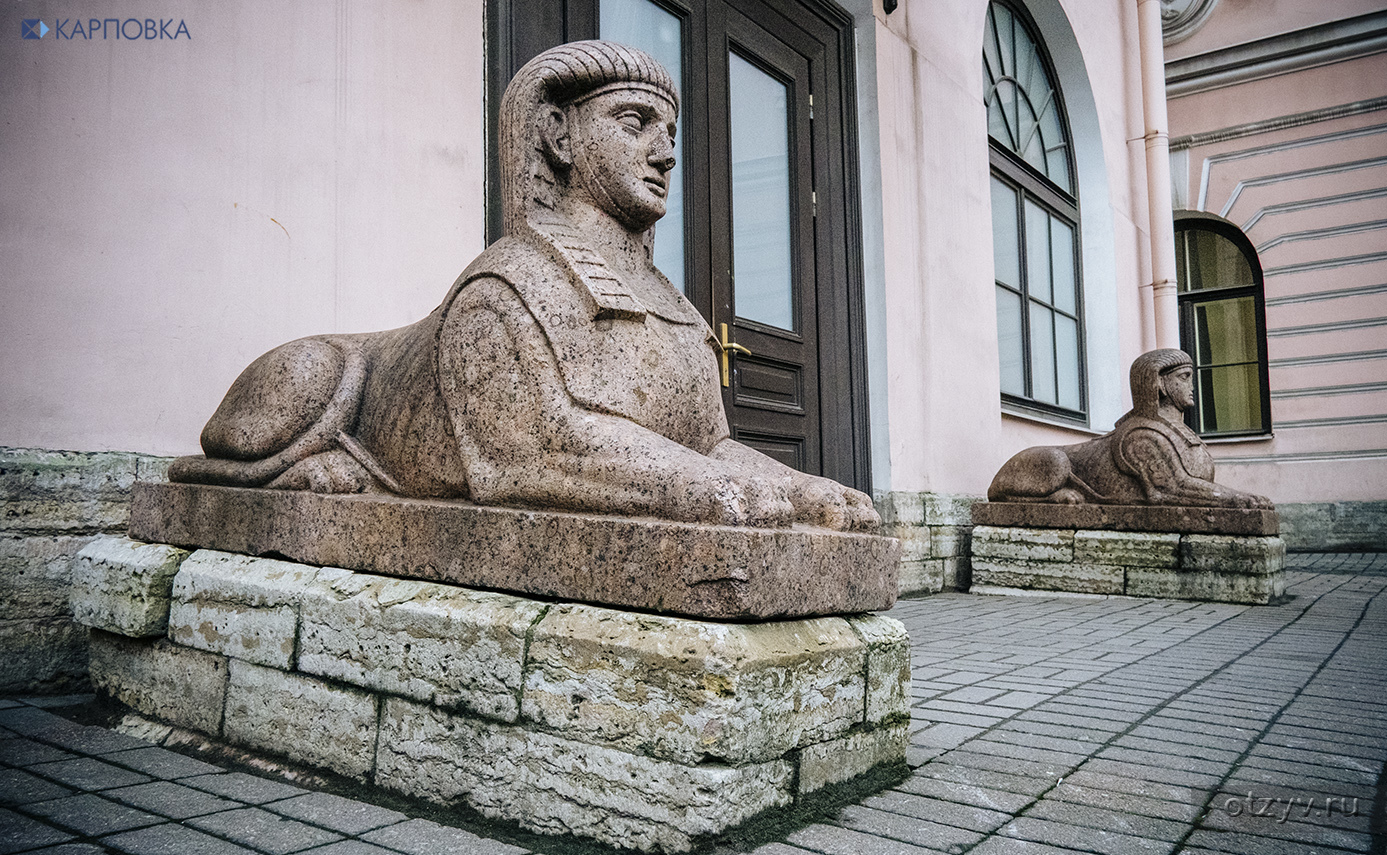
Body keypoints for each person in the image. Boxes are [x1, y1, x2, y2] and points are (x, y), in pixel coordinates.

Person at [170, 41, 878, 532]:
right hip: (346, 388)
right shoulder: (505, 289)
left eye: (668, 132)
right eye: (632, 123)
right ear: (558, 136)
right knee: (312, 370)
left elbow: (708, 447)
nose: (663, 153)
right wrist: (706, 488)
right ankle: (268, 467)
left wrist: (804, 489)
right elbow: (531, 454)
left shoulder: (679, 313)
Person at [987, 348, 1273, 509]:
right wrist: (1235, 498)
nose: (1191, 386)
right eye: (1184, 378)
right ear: (1159, 383)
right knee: (1055, 461)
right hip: (1047, 466)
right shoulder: (1141, 437)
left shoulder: (1171, 432)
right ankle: (1031, 496)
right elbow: (1166, 491)